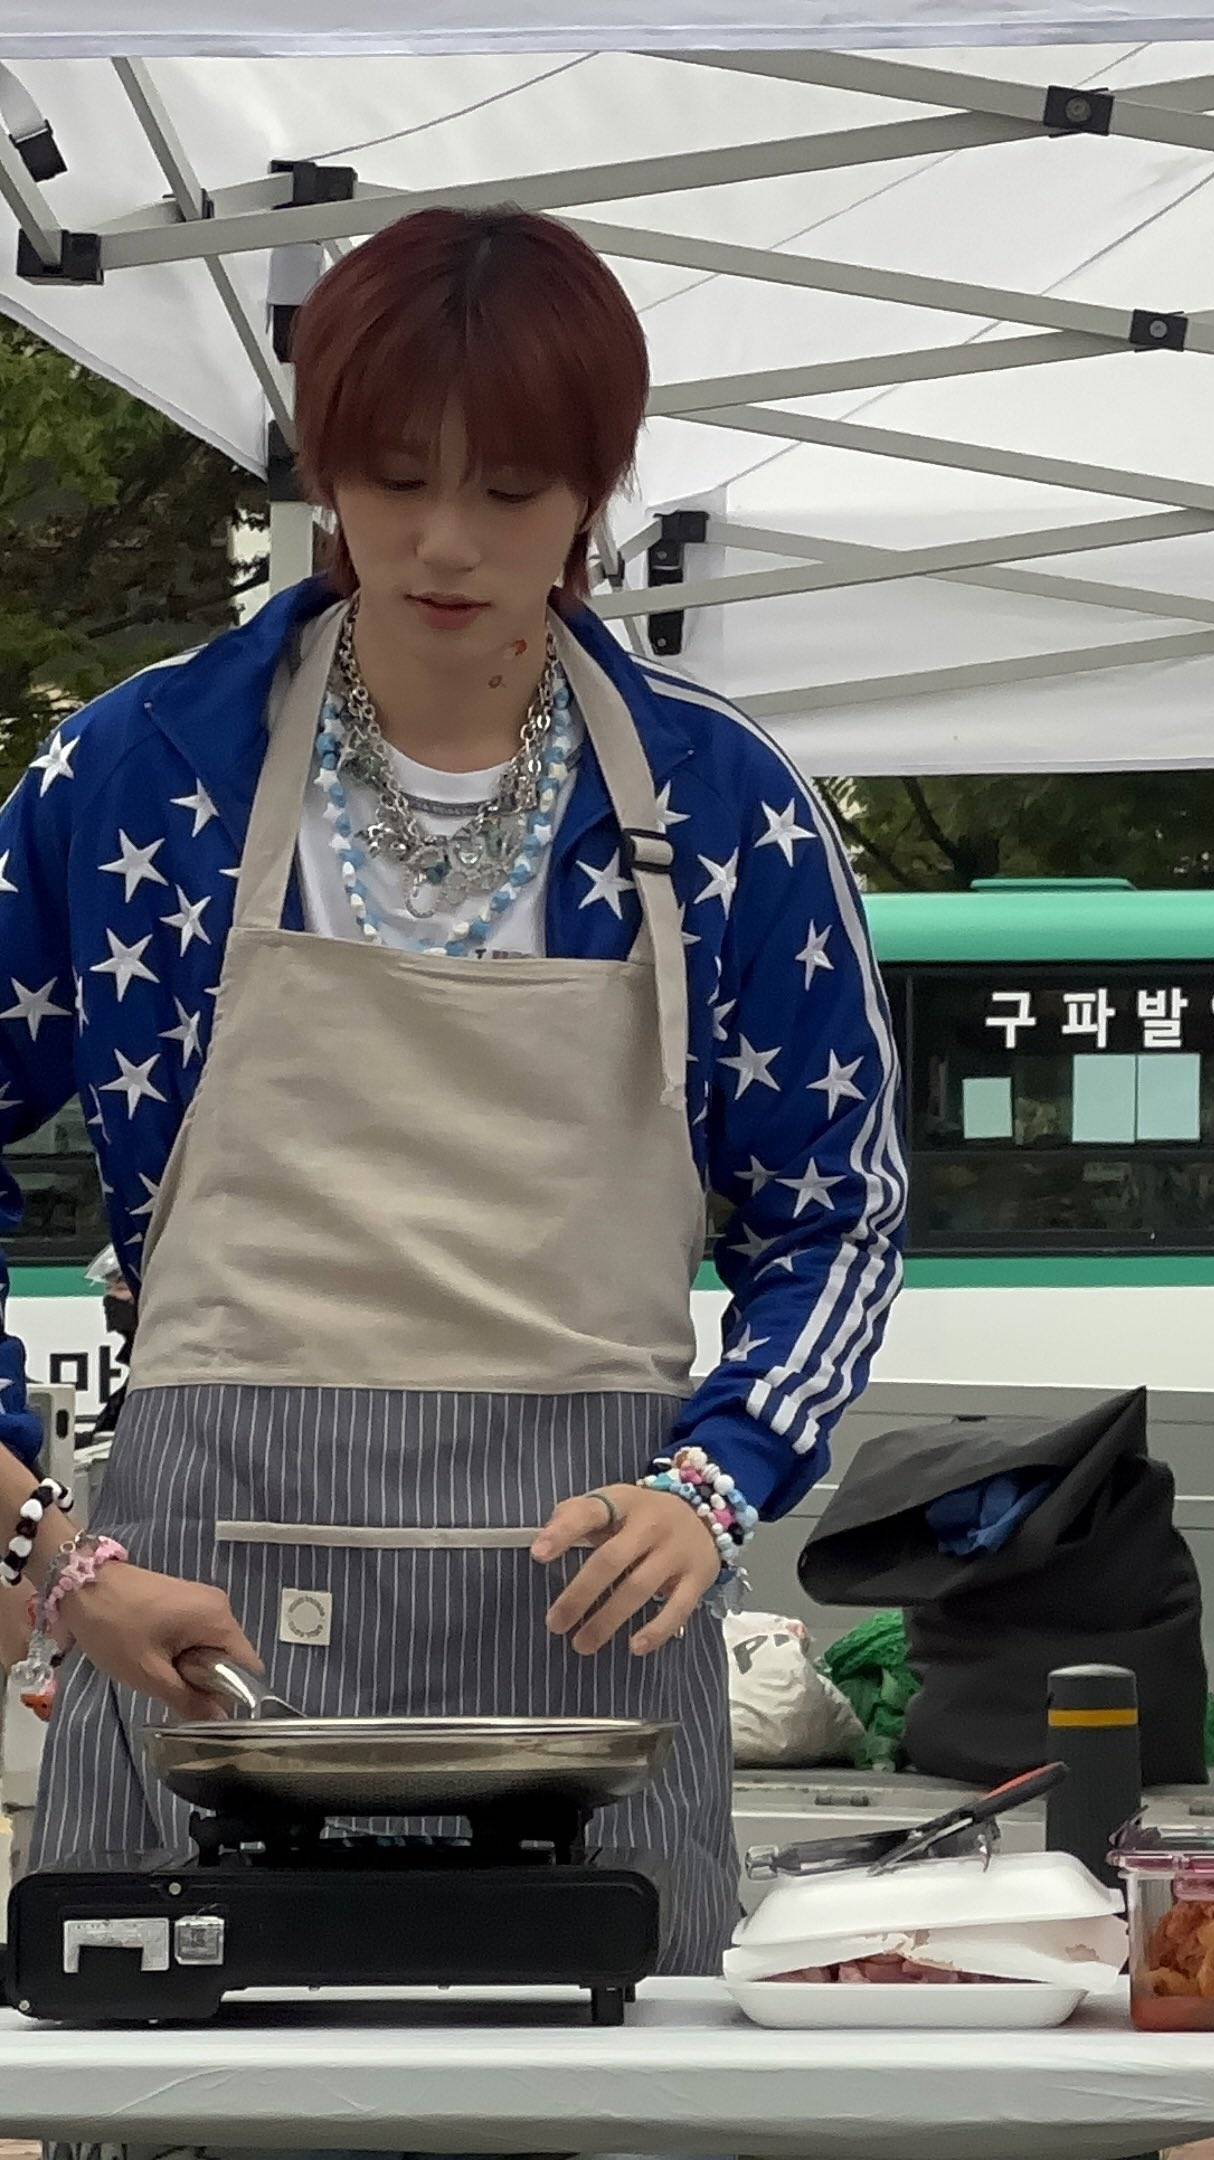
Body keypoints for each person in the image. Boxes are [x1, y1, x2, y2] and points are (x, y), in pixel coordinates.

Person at [6, 206, 903, 1980]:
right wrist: (49, 1551)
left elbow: (845, 1218)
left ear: (594, 491)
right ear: (324, 466)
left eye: (509, 489)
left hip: (587, 1647)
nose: (439, 542)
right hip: (190, 1639)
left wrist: (715, 1488)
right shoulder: (133, 778)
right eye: (391, 477)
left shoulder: (723, 807)